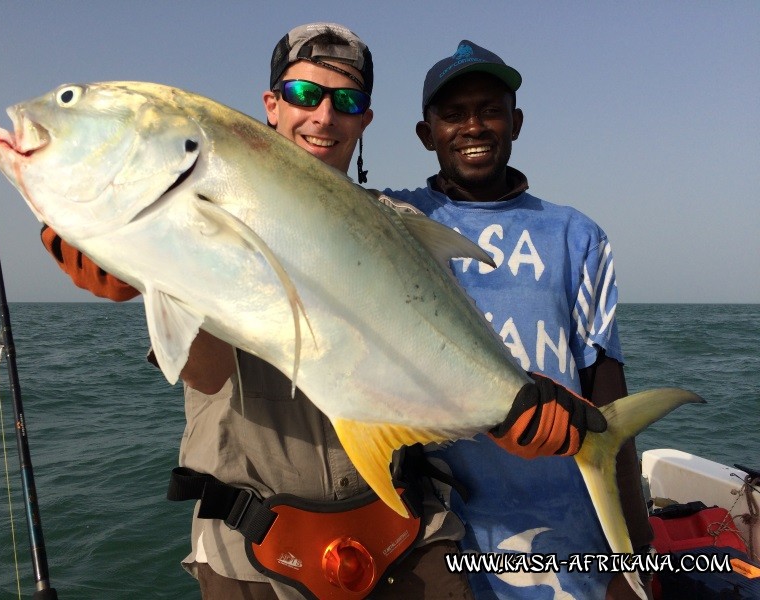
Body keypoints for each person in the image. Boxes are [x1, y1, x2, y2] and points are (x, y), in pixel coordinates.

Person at [38, 26, 612, 600]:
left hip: (405, 534)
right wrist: (147, 273)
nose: (323, 116)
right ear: (272, 104)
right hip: (255, 552)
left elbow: (442, 348)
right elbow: (207, 376)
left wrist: (510, 407)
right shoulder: (203, 200)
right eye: (304, 95)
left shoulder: (398, 222)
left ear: (365, 120)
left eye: (347, 101)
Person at [384, 40, 654, 599]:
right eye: (453, 115)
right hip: (436, 544)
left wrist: (637, 562)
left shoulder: (578, 236)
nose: (473, 127)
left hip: (571, 542)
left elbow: (610, 408)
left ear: (517, 122)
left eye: (490, 110)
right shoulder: (391, 220)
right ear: (425, 133)